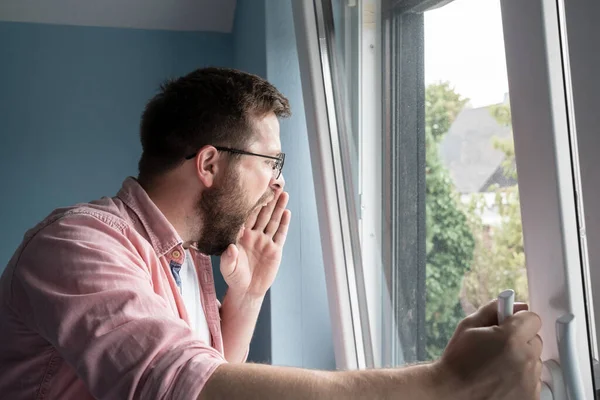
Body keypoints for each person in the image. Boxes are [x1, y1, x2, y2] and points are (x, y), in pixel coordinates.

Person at [0, 67, 543, 399]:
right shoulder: (77, 247)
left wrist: (250, 293)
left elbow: (211, 376)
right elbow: (176, 388)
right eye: (271, 163)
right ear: (209, 164)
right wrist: (444, 385)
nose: (276, 188)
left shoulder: (184, 258)